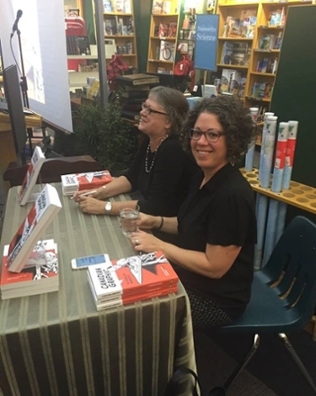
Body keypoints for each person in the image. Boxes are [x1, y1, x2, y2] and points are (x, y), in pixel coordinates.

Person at [130, 96, 257, 330]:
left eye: (212, 134)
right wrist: (154, 221)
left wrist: (159, 246)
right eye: (196, 133)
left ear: (233, 139)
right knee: (129, 282)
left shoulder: (232, 196)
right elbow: (188, 223)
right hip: (190, 278)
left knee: (137, 312)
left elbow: (214, 267)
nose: (201, 142)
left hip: (217, 301)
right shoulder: (202, 175)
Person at [73, 86, 198, 217]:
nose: (142, 112)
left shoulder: (172, 150)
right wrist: (97, 193)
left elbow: (155, 207)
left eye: (150, 110)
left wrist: (105, 207)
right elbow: (132, 178)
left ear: (169, 121)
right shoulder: (152, 139)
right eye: (144, 106)